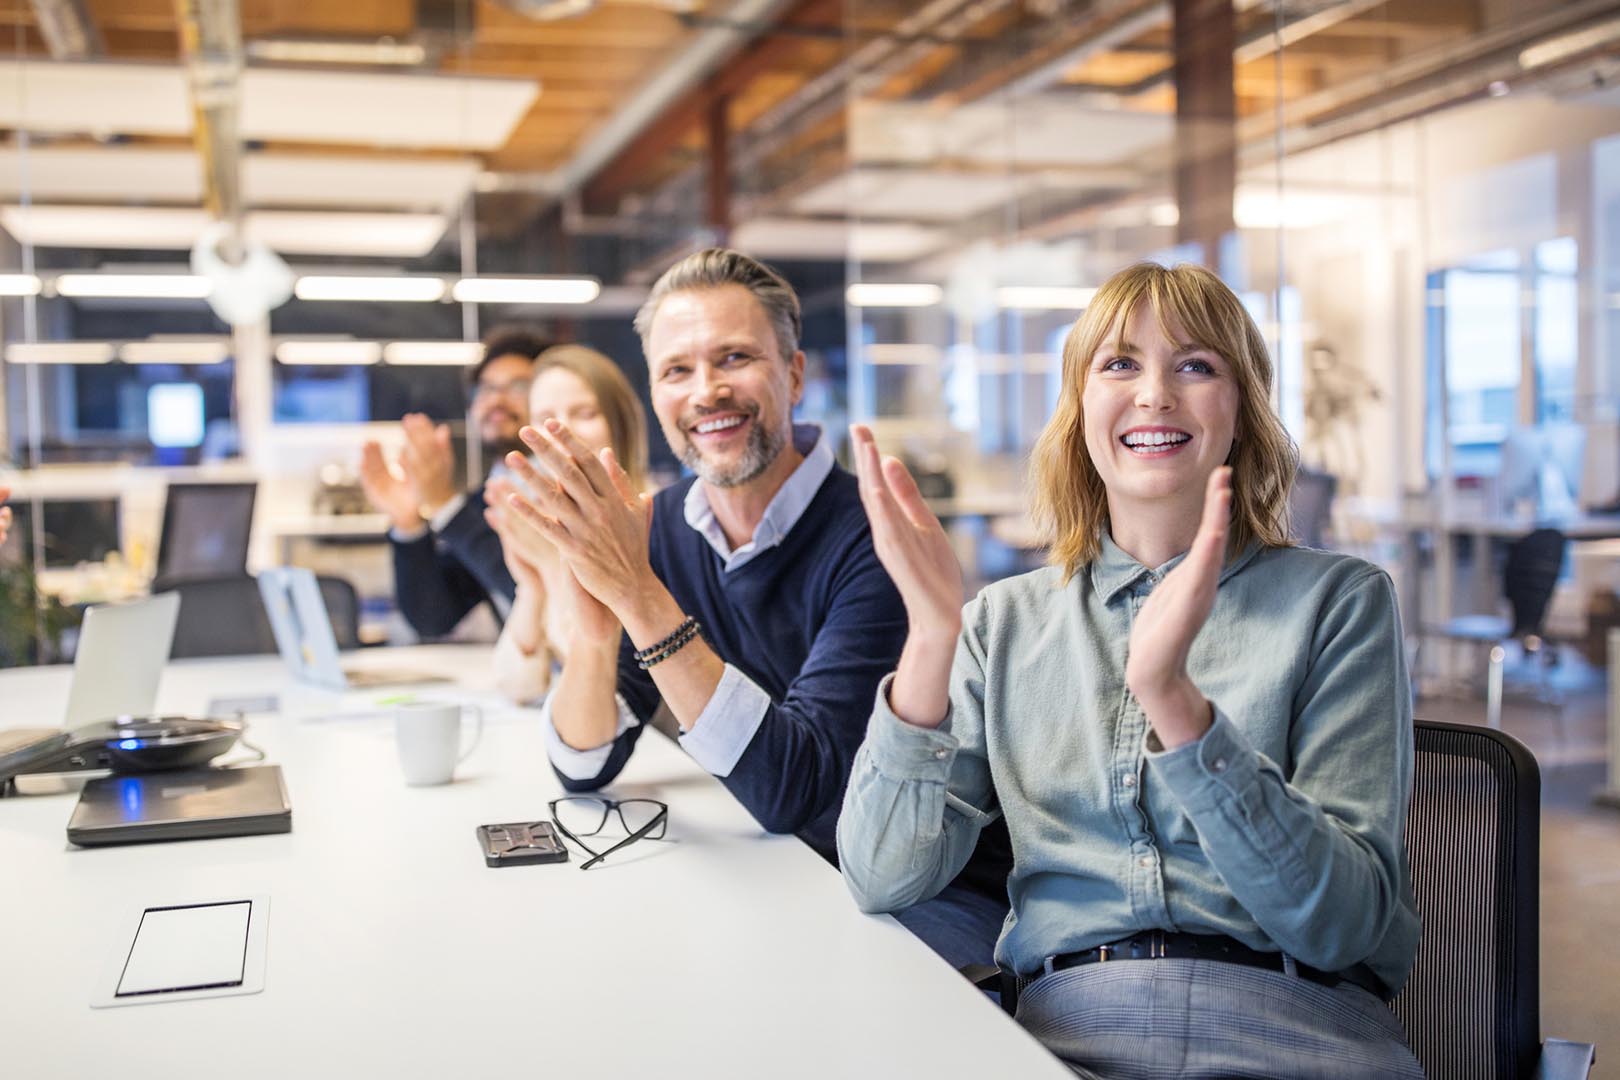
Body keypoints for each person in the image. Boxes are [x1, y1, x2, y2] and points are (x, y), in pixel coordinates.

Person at [838, 261, 1422, 1079]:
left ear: (1241, 412)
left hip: (1295, 1031)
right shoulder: (1003, 623)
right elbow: (880, 875)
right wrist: (932, 638)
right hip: (1061, 1035)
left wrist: (1177, 708)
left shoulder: (1338, 602)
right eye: (1119, 363)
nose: (1154, 393)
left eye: (1196, 365)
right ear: (1079, 413)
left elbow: (1342, 924)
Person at [500, 248, 1012, 969]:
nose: (707, 391)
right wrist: (594, 633)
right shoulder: (663, 527)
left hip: (920, 900)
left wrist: (640, 596)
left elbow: (794, 791)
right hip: (776, 884)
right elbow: (583, 766)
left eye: (735, 357)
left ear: (794, 374)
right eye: (677, 370)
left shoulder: (876, 539)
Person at [359, 327, 549, 639]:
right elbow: (434, 617)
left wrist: (444, 504)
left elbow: (539, 597)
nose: (496, 400)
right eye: (485, 389)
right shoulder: (485, 501)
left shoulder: (564, 494)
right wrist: (409, 525)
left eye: (518, 386)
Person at [485, 345, 650, 705]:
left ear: (621, 424)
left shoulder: (655, 520)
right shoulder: (551, 523)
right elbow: (516, 687)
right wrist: (532, 586)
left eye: (585, 413)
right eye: (545, 418)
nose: (561, 432)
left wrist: (550, 565)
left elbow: (613, 686)